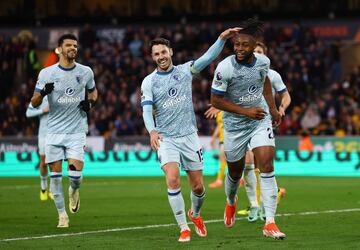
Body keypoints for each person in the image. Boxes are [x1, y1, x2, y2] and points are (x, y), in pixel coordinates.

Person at [141, 27, 241, 242]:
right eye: (156, 54)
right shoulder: (149, 82)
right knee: (173, 178)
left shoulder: (185, 71)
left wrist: (222, 39)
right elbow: (146, 110)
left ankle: (195, 214)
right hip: (166, 138)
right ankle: (183, 228)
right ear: (152, 57)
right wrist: (152, 131)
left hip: (189, 136)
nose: (161, 57)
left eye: (163, 52)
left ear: (171, 52)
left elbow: (208, 58)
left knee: (198, 187)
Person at [210, 19, 286, 240]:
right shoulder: (224, 68)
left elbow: (265, 83)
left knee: (267, 164)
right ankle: (231, 202)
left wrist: (273, 110)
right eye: (237, 45)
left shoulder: (263, 62)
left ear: (254, 45)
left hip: (259, 119)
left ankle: (270, 222)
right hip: (234, 126)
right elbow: (215, 100)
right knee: (235, 172)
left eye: (244, 45)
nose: (239, 49)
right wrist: (245, 112)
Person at [30, 34, 98, 228]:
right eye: (68, 45)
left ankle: (74, 190)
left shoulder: (85, 72)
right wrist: (43, 92)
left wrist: (90, 103)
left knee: (75, 177)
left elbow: (93, 92)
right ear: (59, 49)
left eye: (75, 46)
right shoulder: (46, 74)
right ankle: (62, 216)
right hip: (53, 133)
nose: (73, 48)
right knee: (56, 176)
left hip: (76, 132)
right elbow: (33, 102)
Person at [237, 41, 291, 222]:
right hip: (243, 123)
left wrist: (281, 107)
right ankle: (254, 204)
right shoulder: (241, 72)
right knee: (246, 163)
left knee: (262, 165)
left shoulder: (272, 75)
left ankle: (262, 205)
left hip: (263, 123)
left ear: (265, 55)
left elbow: (285, 95)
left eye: (260, 52)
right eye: (255, 52)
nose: (257, 54)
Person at [26, 96, 53, 201]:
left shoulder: (59, 94)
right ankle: (43, 188)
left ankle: (52, 190)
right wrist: (43, 110)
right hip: (43, 134)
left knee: (54, 162)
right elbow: (28, 113)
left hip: (56, 134)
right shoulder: (39, 97)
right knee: (43, 162)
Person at [207, 111, 227, 188]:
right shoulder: (218, 112)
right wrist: (213, 138)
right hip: (222, 138)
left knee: (224, 158)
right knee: (223, 158)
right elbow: (219, 126)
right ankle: (241, 178)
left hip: (229, 137)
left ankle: (219, 181)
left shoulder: (227, 108)